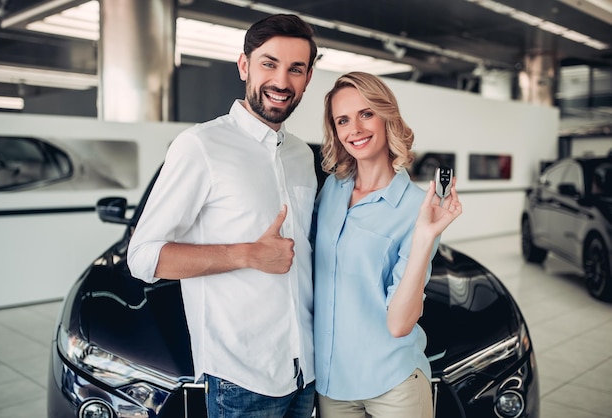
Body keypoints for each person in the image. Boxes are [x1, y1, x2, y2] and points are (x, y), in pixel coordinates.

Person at [127, 14, 318, 418]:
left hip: (306, 372)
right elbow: (143, 257)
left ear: (308, 78)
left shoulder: (302, 155)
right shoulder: (200, 146)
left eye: (295, 69)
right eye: (269, 63)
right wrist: (247, 254)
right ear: (244, 66)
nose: (282, 81)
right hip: (242, 377)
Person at [313, 72, 462, 418]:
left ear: (386, 116)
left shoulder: (417, 208)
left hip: (393, 382)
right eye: (343, 120)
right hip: (333, 385)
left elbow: (399, 324)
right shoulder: (331, 192)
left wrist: (425, 237)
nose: (355, 129)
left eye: (366, 113)